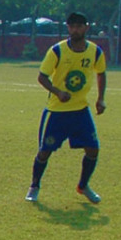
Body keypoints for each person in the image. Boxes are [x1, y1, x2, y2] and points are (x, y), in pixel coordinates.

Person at [28, 12, 107, 204]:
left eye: (79, 26)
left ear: (86, 28)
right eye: (72, 26)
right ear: (68, 28)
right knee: (45, 151)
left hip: (80, 111)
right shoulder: (57, 51)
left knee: (93, 149)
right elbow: (42, 77)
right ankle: (34, 186)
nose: (75, 30)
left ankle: (83, 186)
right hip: (57, 112)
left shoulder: (95, 52)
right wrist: (58, 92)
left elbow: (101, 73)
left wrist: (100, 99)